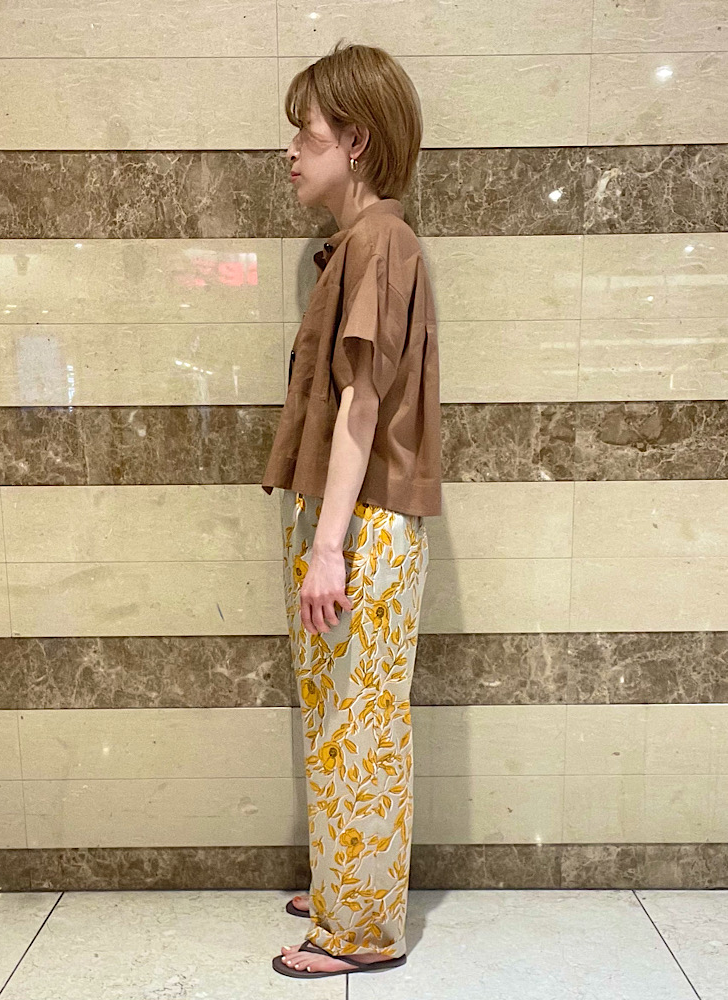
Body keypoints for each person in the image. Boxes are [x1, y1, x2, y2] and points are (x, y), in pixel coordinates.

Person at [261, 39, 442, 980]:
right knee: (340, 714)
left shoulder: (379, 243)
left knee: (359, 726)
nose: (290, 152)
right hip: (351, 522)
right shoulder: (363, 245)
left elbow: (361, 408)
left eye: (307, 134)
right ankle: (344, 881)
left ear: (357, 141)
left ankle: (364, 928)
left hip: (361, 524)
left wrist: (329, 547)